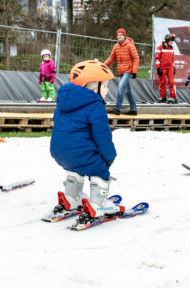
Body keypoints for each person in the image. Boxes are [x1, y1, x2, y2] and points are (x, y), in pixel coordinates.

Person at [50, 60, 119, 219]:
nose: (107, 90)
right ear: (95, 89)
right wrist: (109, 156)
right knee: (100, 169)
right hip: (80, 154)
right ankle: (98, 205)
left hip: (59, 153)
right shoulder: (96, 106)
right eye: (105, 86)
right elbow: (102, 136)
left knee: (76, 167)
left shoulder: (63, 103)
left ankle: (70, 199)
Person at [104, 28, 139, 115]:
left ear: (124, 36)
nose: (119, 37)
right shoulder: (116, 46)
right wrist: (103, 65)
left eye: (121, 35)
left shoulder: (130, 45)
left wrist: (134, 71)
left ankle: (117, 108)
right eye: (118, 35)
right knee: (128, 91)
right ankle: (133, 109)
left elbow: (136, 58)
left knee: (120, 87)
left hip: (128, 70)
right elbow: (111, 58)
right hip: (121, 71)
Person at [154, 33, 179, 103]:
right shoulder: (159, 48)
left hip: (170, 68)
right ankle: (163, 97)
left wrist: (173, 67)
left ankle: (173, 97)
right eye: (171, 41)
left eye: (172, 41)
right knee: (162, 83)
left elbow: (172, 59)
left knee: (171, 82)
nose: (172, 42)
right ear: (167, 40)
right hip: (162, 68)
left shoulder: (172, 48)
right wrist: (158, 68)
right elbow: (157, 59)